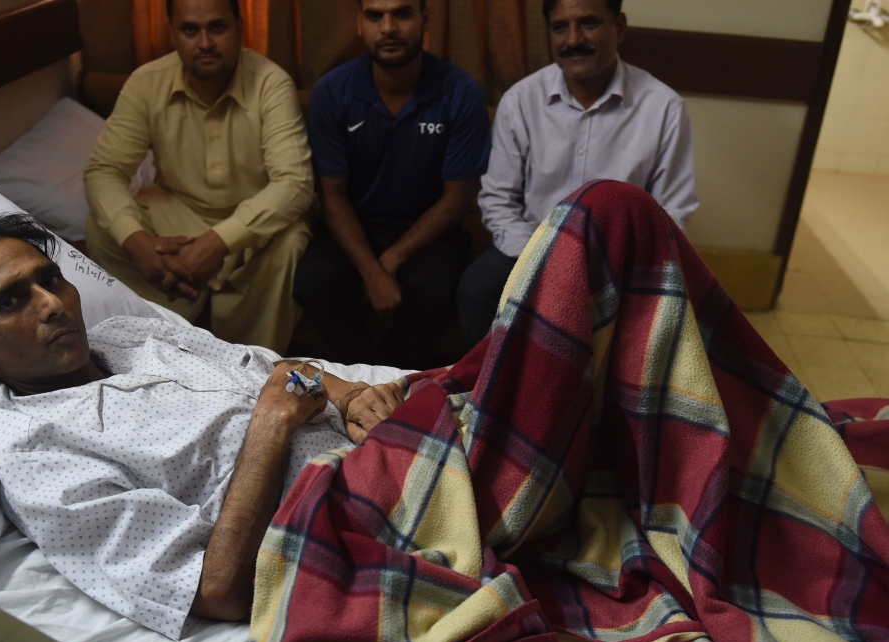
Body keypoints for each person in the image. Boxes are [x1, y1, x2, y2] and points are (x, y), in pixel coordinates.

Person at [0, 213, 405, 639]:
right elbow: (216, 590)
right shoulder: (39, 458)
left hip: (389, 449)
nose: (53, 304)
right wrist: (270, 427)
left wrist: (348, 394)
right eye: (10, 302)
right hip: (358, 524)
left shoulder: (128, 333)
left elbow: (273, 368)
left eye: (51, 279)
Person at [456, 0, 699, 350]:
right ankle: (488, 394)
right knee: (477, 289)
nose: (573, 39)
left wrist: (607, 268)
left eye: (588, 23)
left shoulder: (663, 108)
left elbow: (672, 212)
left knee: (660, 320)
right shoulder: (521, 100)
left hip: (619, 262)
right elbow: (498, 199)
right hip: (530, 248)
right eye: (560, 27)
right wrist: (545, 261)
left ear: (620, 27)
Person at [84, 0, 313, 354]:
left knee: (292, 240)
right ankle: (164, 335)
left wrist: (216, 244)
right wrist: (138, 243)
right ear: (173, 32)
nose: (204, 42)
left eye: (217, 28)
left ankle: (247, 359)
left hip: (251, 229)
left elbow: (295, 184)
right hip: (178, 217)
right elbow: (104, 171)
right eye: (190, 30)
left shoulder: (270, 83)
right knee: (103, 226)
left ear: (239, 27)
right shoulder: (147, 83)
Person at [292, 0, 491, 370]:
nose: (388, 27)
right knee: (314, 282)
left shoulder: (460, 91)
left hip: (429, 234)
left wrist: (389, 262)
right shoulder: (333, 91)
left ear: (424, 19)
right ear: (359, 22)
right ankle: (366, 385)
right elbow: (331, 196)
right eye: (374, 16)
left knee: (437, 289)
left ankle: (393, 385)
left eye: (402, 13)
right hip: (353, 228)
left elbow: (457, 198)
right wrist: (372, 271)